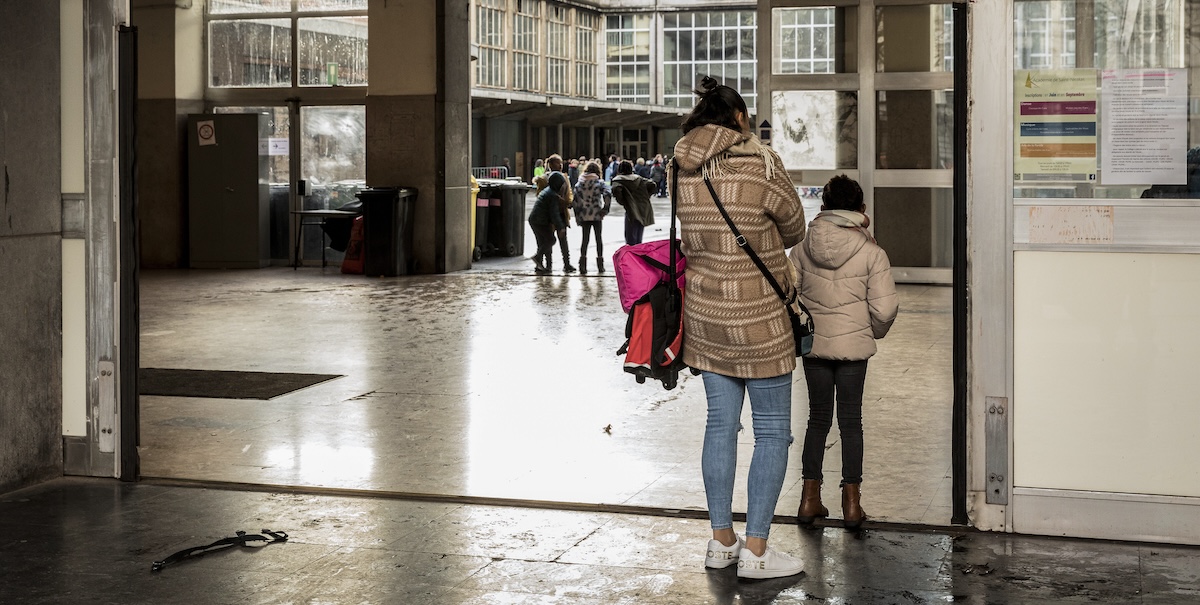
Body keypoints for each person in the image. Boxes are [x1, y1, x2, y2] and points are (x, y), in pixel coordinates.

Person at [672, 75, 808, 579]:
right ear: (740, 118)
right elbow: (794, 228)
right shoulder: (763, 163)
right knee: (772, 432)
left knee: (719, 426)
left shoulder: (680, 167)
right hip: (761, 319)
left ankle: (721, 541)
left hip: (707, 318)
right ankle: (757, 550)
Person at [789, 174, 898, 532]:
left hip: (815, 348)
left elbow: (790, 299)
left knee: (817, 420)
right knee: (851, 423)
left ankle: (809, 499)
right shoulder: (872, 252)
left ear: (823, 207)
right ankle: (852, 505)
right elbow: (885, 309)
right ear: (861, 209)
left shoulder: (801, 249)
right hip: (853, 350)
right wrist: (869, 331)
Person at [572, 161, 612, 274]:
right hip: (596, 214)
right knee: (598, 239)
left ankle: (582, 265)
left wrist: (577, 216)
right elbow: (608, 194)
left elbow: (575, 202)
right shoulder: (599, 182)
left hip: (584, 214)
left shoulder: (579, 183)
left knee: (585, 240)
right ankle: (600, 265)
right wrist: (605, 209)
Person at [528, 171, 568, 274]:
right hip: (540, 222)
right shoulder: (552, 195)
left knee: (542, 242)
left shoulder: (548, 191)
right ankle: (538, 258)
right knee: (551, 240)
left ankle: (540, 266)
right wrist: (560, 227)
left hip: (535, 220)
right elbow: (554, 213)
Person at [611, 160, 657, 246]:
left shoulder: (618, 180)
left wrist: (623, 200)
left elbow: (616, 190)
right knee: (639, 237)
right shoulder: (638, 179)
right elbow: (652, 184)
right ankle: (638, 252)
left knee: (630, 238)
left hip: (630, 209)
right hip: (643, 208)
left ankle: (632, 253)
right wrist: (646, 196)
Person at [545, 154, 577, 273]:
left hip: (560, 212)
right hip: (553, 212)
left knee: (560, 239)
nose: (561, 165)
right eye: (559, 163)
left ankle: (564, 264)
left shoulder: (560, 176)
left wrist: (568, 202)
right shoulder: (549, 178)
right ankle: (551, 264)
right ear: (552, 165)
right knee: (553, 239)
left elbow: (568, 193)